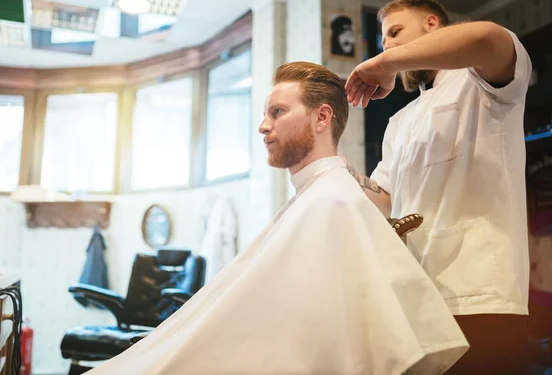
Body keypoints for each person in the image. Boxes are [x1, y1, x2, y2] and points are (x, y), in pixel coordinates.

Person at [89, 62, 467, 375]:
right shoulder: (319, 193)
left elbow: (314, 342)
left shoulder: (332, 201)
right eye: (265, 114)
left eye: (277, 112)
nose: (263, 126)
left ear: (322, 118)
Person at [344, 0, 532, 374]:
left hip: (482, 294)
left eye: (396, 32)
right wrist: (330, 166)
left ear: (433, 24)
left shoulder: (484, 83)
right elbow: (383, 200)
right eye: (382, 41)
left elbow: (485, 37)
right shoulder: (400, 121)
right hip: (420, 300)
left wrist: (384, 63)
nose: (388, 45)